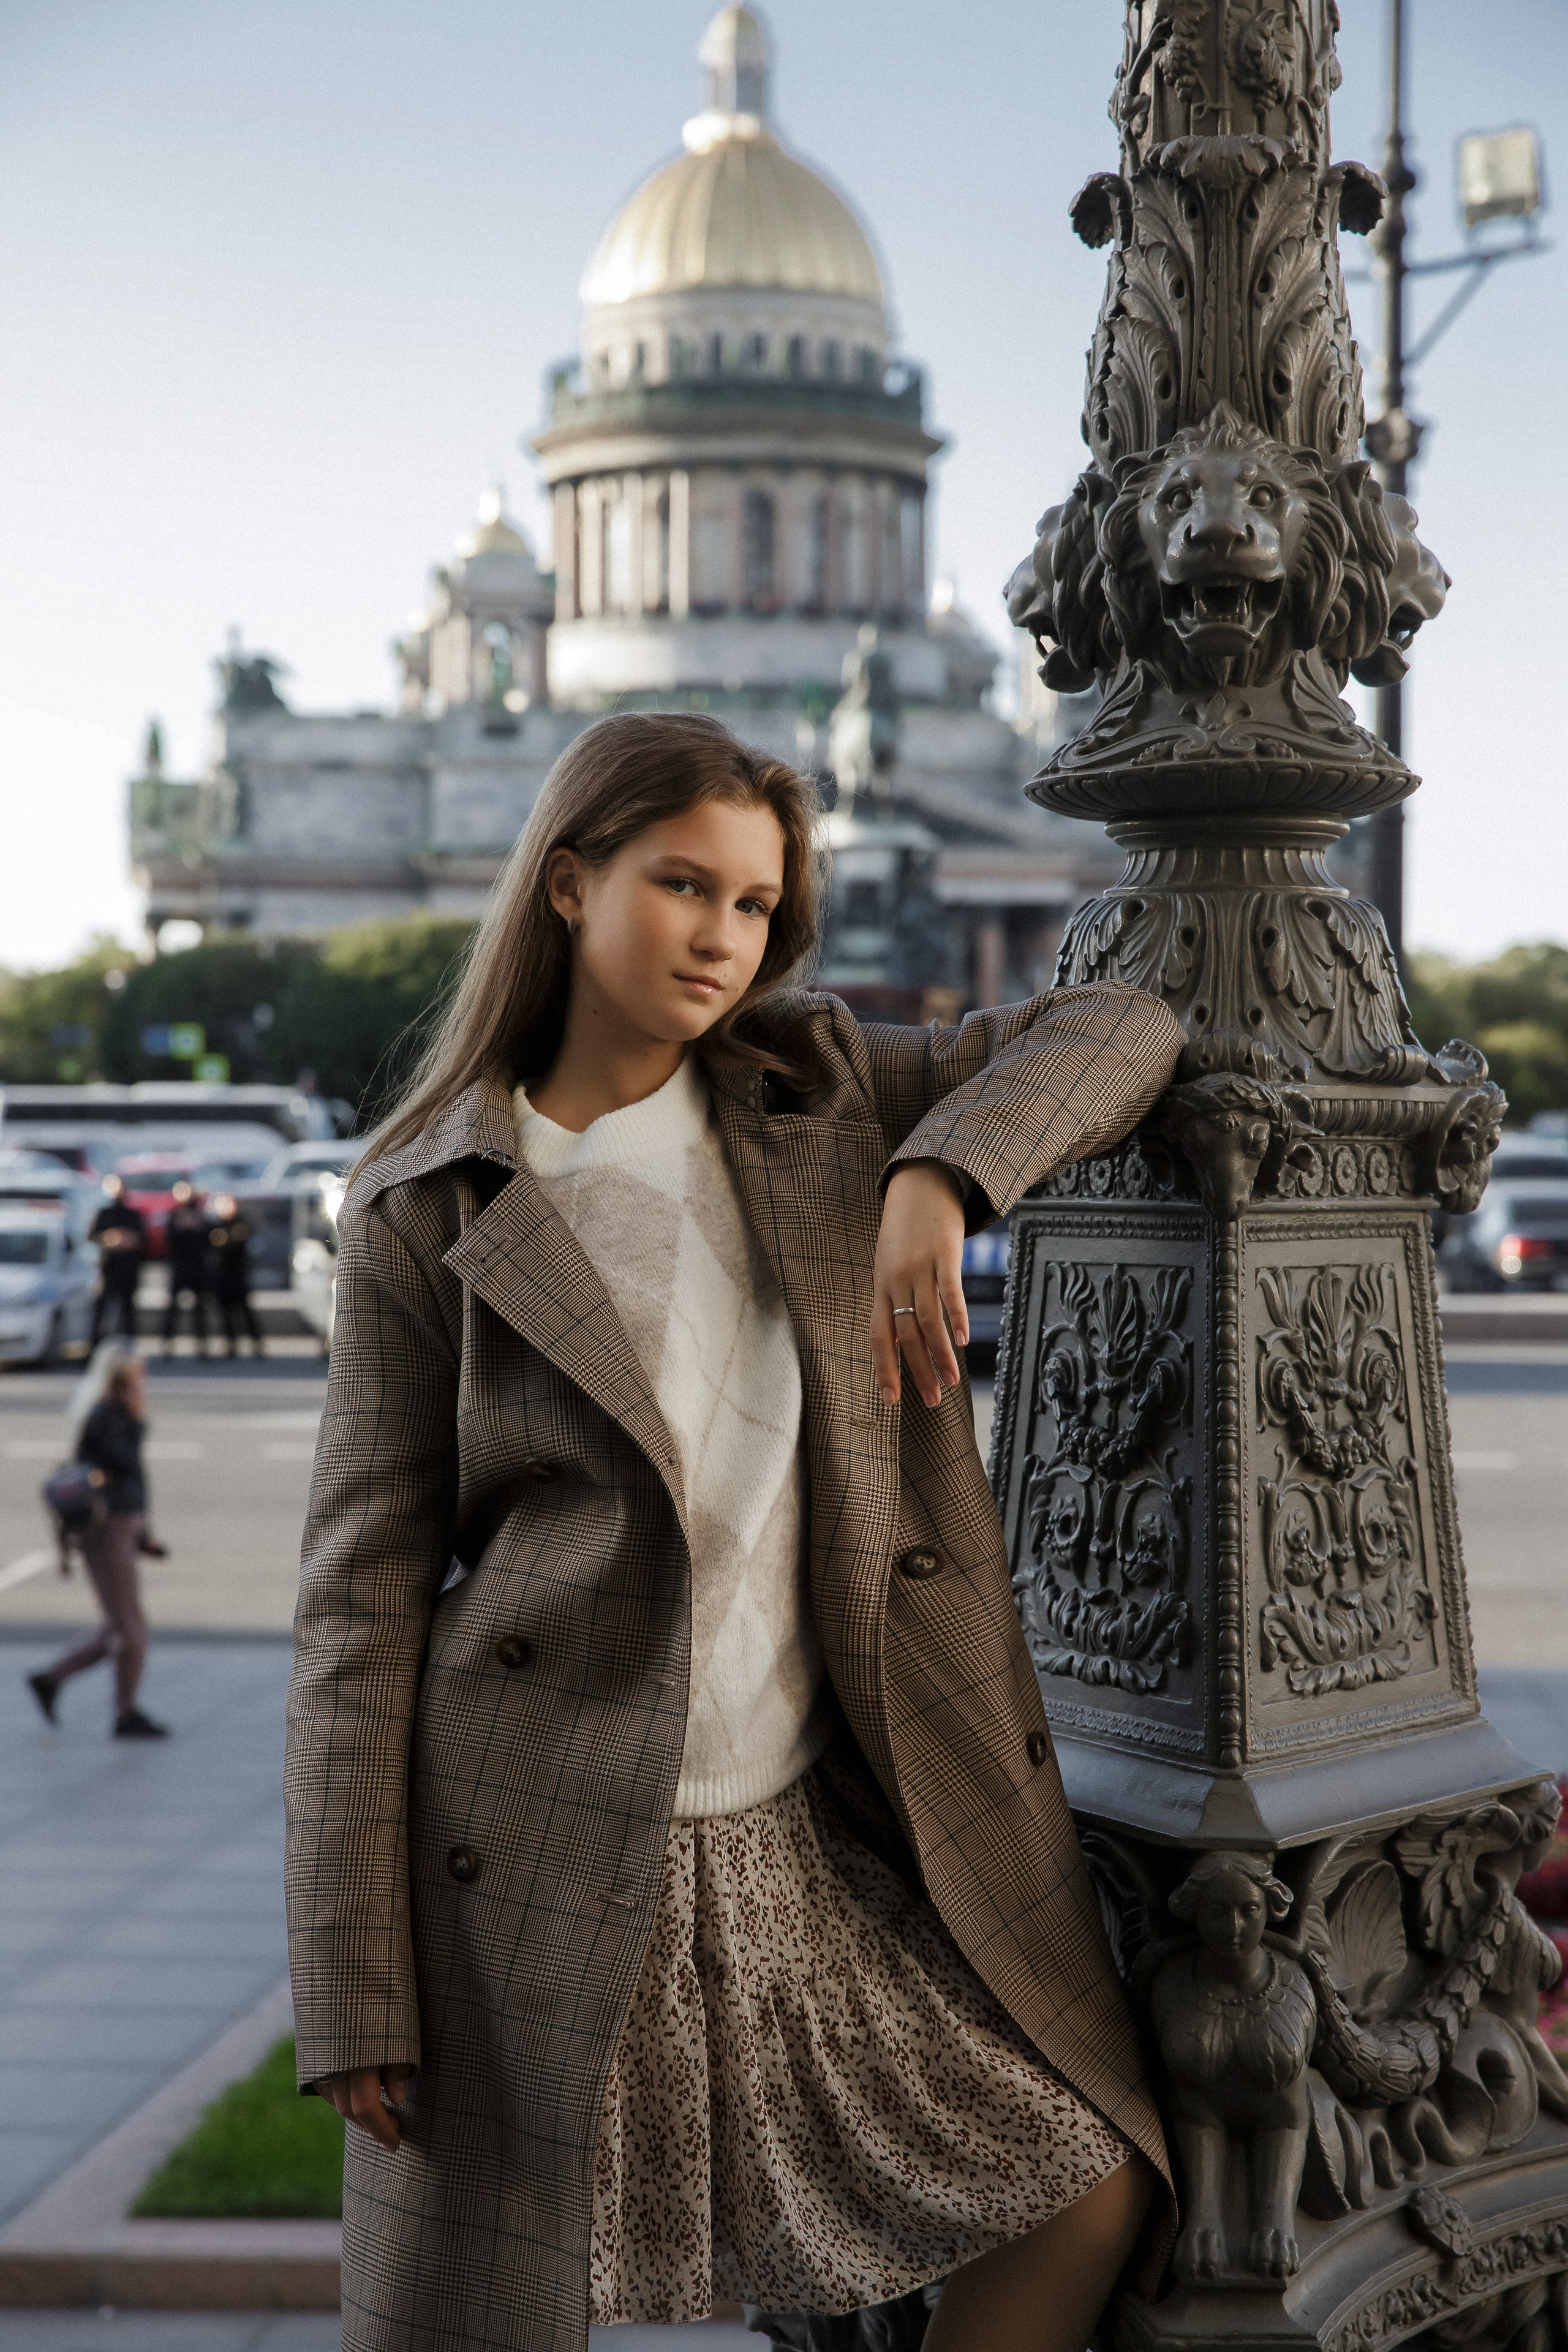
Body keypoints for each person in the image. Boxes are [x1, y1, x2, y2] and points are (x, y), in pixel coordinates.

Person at [284, 712, 1185, 2352]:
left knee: (1082, 2178)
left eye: (757, 906)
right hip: (532, 1837)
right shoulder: (427, 1198)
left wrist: (942, 1175)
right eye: (680, 884)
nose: (721, 936)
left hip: (799, 1835)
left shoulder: (827, 1092)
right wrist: (352, 1977)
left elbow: (1124, 1024)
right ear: (568, 883)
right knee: (487, 2312)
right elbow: (357, 1605)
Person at [27, 1343, 170, 1738]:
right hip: (108, 1527)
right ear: (121, 1376)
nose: (144, 1378)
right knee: (131, 1628)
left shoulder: (117, 1412)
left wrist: (145, 1533)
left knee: (119, 1626)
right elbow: (120, 1467)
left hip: (123, 1524)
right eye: (138, 1372)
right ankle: (126, 1713)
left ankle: (52, 1679)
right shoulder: (109, 1414)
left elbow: (133, 1478)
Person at [88, 1177, 147, 1344]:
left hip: (128, 1270)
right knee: (101, 1311)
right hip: (108, 1270)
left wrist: (128, 1240)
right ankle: (95, 1348)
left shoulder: (133, 1215)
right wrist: (108, 1239)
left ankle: (129, 1348)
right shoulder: (103, 1214)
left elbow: (143, 1239)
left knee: (128, 1311)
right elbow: (93, 1236)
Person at [162, 1180, 214, 1358]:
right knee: (172, 1309)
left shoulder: (200, 1215)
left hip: (197, 1267)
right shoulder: (174, 1215)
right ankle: (167, 1347)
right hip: (179, 1267)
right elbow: (169, 1241)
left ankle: (202, 1347)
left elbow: (208, 1240)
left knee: (199, 1309)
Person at [206, 1194, 263, 1357]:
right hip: (222, 1276)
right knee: (225, 1314)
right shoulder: (216, 1225)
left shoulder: (241, 1223)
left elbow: (239, 1242)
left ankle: (257, 1345)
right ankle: (231, 1346)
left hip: (238, 1276)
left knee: (246, 1313)